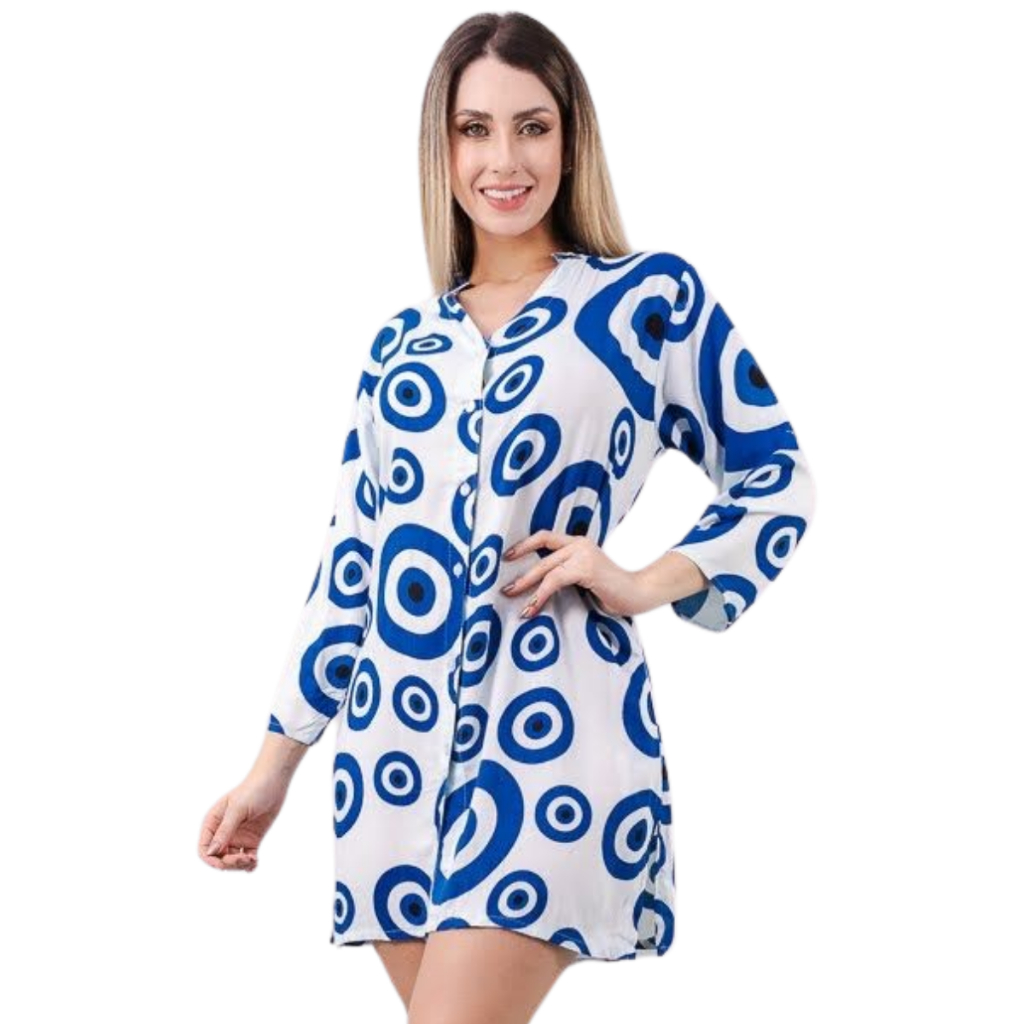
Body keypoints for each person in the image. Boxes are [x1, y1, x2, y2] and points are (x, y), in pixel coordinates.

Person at [199, 11, 816, 1022]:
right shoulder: (400, 346)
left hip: (553, 742)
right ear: (440, 149)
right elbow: (351, 570)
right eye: (474, 129)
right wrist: (272, 771)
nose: (504, 160)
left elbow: (775, 477)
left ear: (572, 139)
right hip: (390, 763)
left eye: (532, 126)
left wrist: (640, 581)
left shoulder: (648, 299)